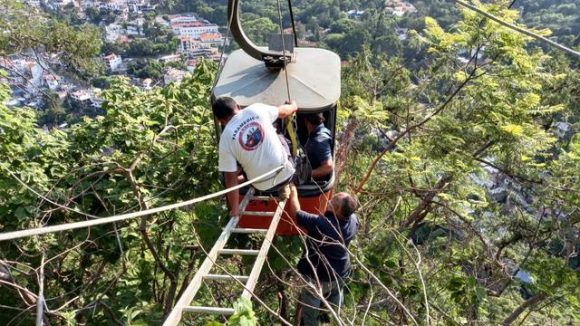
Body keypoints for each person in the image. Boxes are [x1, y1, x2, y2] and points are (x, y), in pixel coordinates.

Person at [212, 96, 299, 218]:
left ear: (220, 121)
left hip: (261, 185)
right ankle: (285, 185)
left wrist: (235, 210)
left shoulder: (225, 140)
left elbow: (230, 178)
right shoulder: (256, 109)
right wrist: (294, 106)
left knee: (236, 163)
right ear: (238, 106)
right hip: (286, 173)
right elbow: (283, 112)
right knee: (277, 134)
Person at [294, 192, 359, 326]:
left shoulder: (324, 225)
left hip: (318, 278)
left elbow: (296, 213)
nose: (330, 199)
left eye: (334, 201)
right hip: (341, 273)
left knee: (311, 309)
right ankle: (336, 319)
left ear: (337, 210)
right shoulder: (353, 220)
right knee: (336, 301)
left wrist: (293, 190)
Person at [303, 113, 333, 180]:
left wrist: (306, 174)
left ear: (305, 121)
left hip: (316, 183)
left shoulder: (319, 140)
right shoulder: (320, 131)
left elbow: (328, 167)